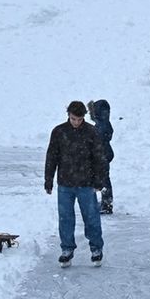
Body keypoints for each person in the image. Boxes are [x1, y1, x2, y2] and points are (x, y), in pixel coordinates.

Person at [44, 101, 107, 267]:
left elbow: (99, 158)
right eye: (73, 119)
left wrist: (99, 180)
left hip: (86, 184)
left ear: (84, 117)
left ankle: (96, 248)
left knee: (91, 217)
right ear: (68, 115)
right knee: (65, 218)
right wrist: (48, 179)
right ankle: (67, 249)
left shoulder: (91, 132)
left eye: (79, 119)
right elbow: (52, 156)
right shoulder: (59, 132)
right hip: (65, 183)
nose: (76, 122)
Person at [88, 99, 115, 214]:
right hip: (104, 155)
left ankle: (107, 204)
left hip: (102, 156)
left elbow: (99, 141)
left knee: (103, 180)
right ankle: (106, 202)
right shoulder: (102, 124)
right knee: (104, 179)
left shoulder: (101, 126)